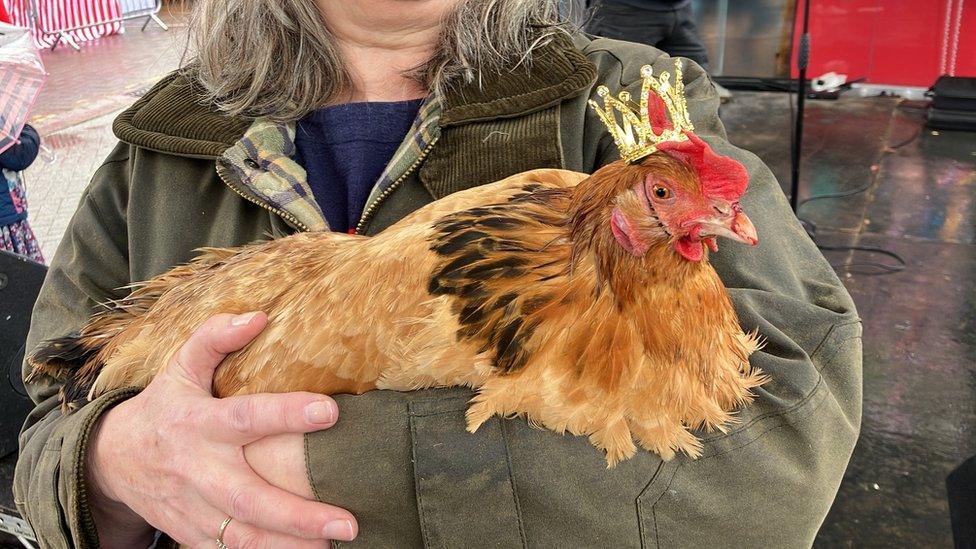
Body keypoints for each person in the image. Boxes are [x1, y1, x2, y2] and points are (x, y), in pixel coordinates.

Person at [15, 0, 861, 547]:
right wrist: (112, 465)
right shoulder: (163, 142)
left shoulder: (628, 106)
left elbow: (786, 450)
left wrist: (336, 466)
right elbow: (43, 425)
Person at [0, 123, 44, 263]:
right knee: (20, 276)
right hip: (6, 223)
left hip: (6, 216)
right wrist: (26, 130)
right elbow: (21, 155)